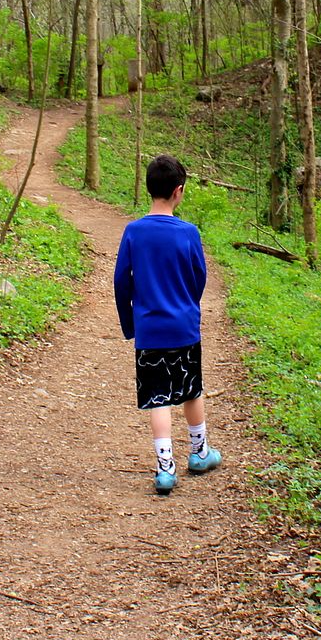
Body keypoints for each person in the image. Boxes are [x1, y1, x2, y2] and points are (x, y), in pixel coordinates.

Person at [113, 154, 222, 495]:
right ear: (179, 191)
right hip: (184, 326)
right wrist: (188, 304)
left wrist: (131, 324)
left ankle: (165, 468)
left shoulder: (133, 232)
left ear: (150, 189)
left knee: (158, 397)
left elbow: (121, 282)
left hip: (150, 329)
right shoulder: (189, 233)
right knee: (191, 389)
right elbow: (199, 276)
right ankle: (199, 452)